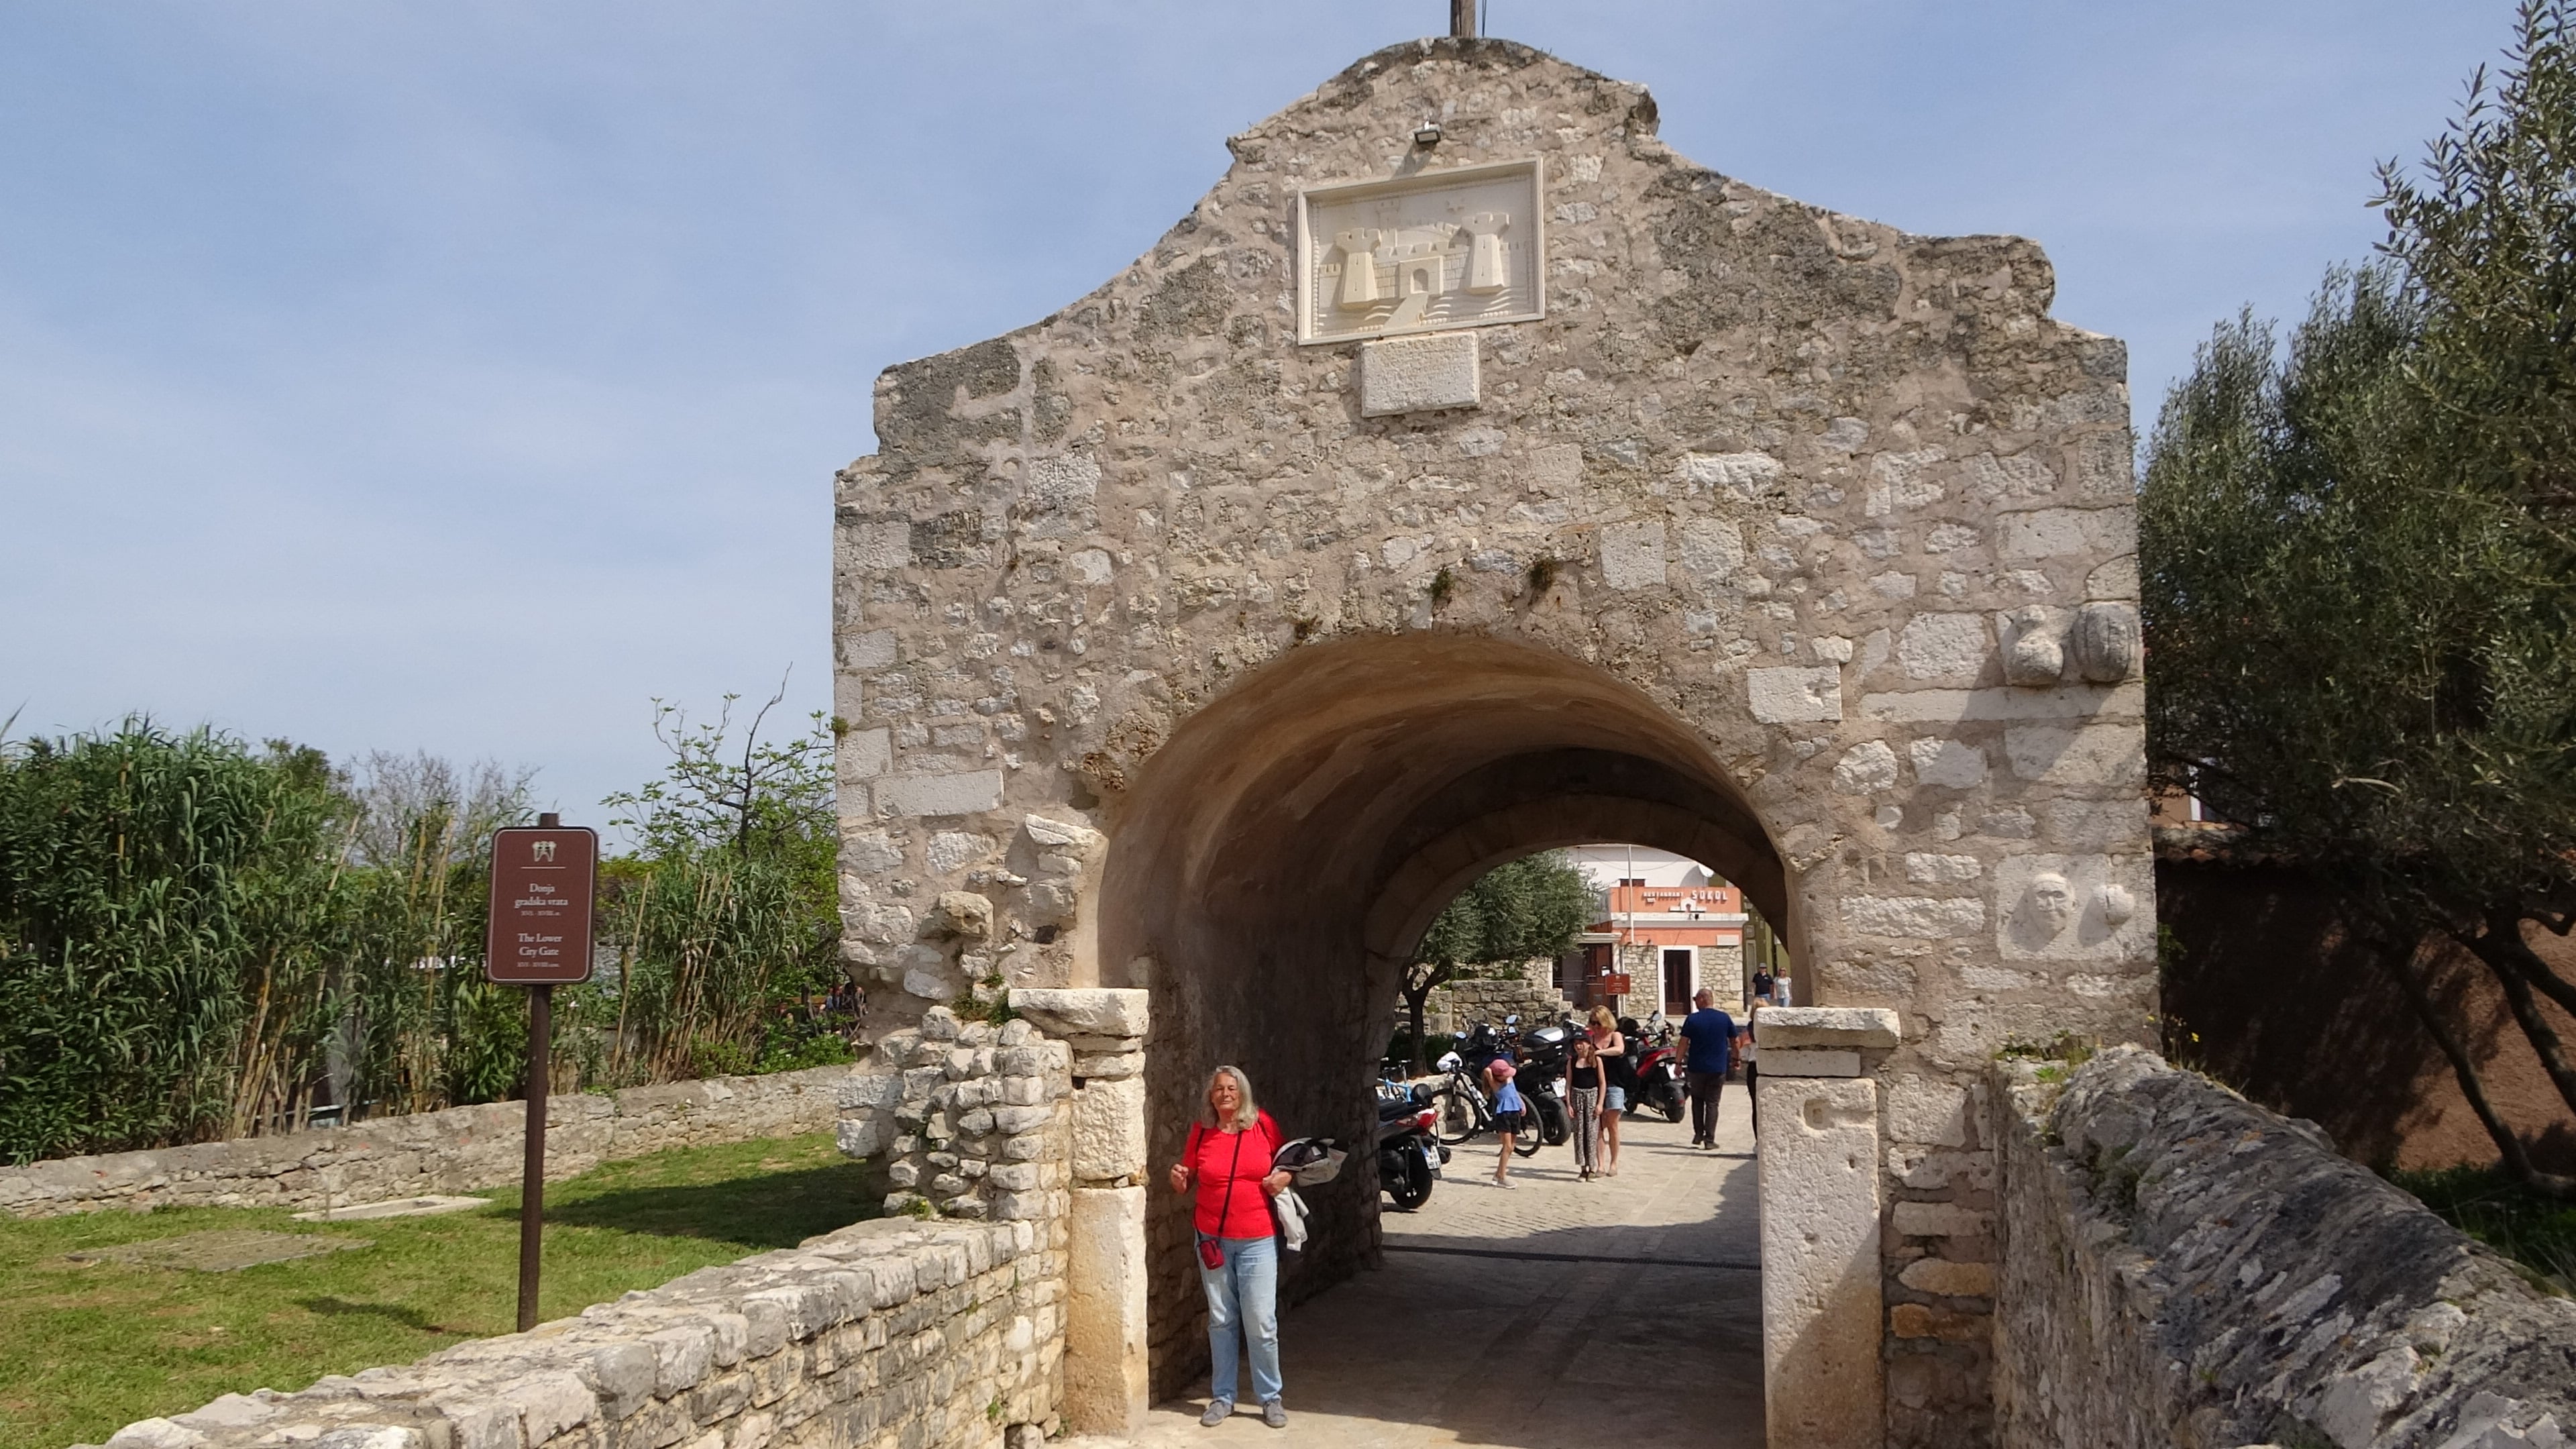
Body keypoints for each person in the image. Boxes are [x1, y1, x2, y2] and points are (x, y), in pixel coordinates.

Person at [1167, 1065, 1293, 1430]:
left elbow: (1290, 1164)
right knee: (1221, 1320)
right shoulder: (1202, 1132)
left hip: (1258, 1237)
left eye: (1232, 1089)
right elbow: (1187, 1179)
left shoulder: (1262, 1125)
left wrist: (1285, 1177)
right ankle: (1223, 1397)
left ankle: (1270, 1397)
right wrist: (1179, 1179)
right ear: (1211, 1096)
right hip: (1213, 1238)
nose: (1225, 1094)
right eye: (1219, 1089)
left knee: (1261, 1322)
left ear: (1243, 1093)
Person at [1677, 987, 1739, 1148]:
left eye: (1695, 1000)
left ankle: (1698, 1134)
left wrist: (1678, 1063)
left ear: (1702, 1000)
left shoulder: (1693, 1019)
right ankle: (1709, 1140)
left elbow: (1683, 1042)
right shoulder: (1724, 1018)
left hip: (1697, 1067)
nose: (1695, 1003)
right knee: (1712, 1103)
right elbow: (1735, 1041)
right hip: (1717, 1068)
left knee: (1697, 1101)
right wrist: (1736, 1059)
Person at [1588, 1006, 1629, 1177]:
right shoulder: (1591, 1038)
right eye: (1592, 1023)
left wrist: (1599, 1052)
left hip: (1614, 1084)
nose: (1595, 1027)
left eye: (1598, 1023)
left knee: (1612, 1125)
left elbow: (1619, 1049)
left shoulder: (1615, 1036)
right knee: (1597, 1126)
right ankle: (1600, 1165)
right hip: (1594, 1086)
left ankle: (1614, 1163)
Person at [1566, 1032, 1603, 1180]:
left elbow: (1602, 1083)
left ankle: (1592, 1167)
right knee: (1579, 1133)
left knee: (1592, 1133)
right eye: (1576, 1044)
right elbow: (1568, 1084)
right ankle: (1583, 1168)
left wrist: (1600, 1104)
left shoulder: (1596, 1060)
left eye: (1581, 1043)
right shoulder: (1572, 1062)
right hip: (1577, 1097)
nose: (1579, 1046)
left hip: (1592, 1097)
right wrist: (1569, 1104)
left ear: (1588, 1044)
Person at [1487, 1048, 1525, 1188]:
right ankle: (1502, 1176)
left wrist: (1521, 1103)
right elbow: (1487, 1071)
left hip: (1515, 1111)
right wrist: (1493, 1070)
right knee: (1507, 1146)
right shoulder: (1496, 1085)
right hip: (1504, 1114)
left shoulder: (1509, 1078)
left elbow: (1514, 1091)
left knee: (1512, 1146)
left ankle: (1499, 1173)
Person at [1742, 1000, 1762, 1138]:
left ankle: (1757, 1139)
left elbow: (1744, 1054)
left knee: (1756, 1106)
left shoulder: (1748, 1030)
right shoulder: (1770, 1029)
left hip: (1754, 1068)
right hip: (1768, 1066)